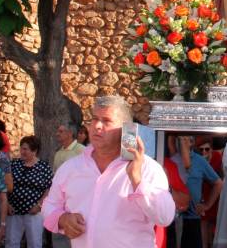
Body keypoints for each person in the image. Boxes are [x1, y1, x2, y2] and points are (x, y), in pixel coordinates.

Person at [41, 95, 175, 247]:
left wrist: (137, 180)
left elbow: (165, 217)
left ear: (125, 129)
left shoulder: (147, 168)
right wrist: (62, 219)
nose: (97, 126)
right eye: (94, 119)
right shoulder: (71, 168)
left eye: (106, 121)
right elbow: (49, 205)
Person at [170, 136, 223, 248]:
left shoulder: (199, 160)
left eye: (184, 139)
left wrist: (207, 205)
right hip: (171, 219)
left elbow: (218, 183)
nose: (180, 142)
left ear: (191, 142)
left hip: (192, 218)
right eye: (178, 139)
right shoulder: (171, 158)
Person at [6, 136, 53, 248]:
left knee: (34, 243)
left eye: (25, 149)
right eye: (21, 148)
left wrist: (39, 205)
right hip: (14, 211)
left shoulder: (44, 167)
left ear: (34, 150)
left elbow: (49, 188)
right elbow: (5, 184)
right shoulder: (14, 164)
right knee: (11, 242)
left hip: (34, 212)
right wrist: (7, 204)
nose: (22, 151)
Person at [196, 136, 223, 248]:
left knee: (214, 223)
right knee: (204, 221)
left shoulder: (217, 157)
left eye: (206, 149)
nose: (204, 152)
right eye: (201, 149)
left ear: (211, 149)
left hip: (215, 193)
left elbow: (222, 176)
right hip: (203, 192)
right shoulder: (197, 159)